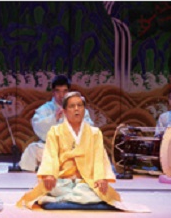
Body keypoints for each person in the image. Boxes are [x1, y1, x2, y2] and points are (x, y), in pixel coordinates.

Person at [17, 91, 149, 212]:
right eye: (72, 106)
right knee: (52, 187)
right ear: (64, 111)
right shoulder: (55, 132)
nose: (76, 109)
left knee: (93, 190)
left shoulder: (94, 133)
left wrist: (101, 177)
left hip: (85, 180)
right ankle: (65, 198)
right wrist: (49, 174)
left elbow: (99, 157)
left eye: (80, 106)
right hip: (62, 179)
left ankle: (59, 199)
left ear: (84, 109)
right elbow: (50, 156)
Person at [19, 75, 93, 172]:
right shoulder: (45, 109)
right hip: (53, 148)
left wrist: (75, 120)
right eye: (58, 91)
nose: (61, 95)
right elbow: (37, 125)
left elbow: (89, 127)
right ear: (53, 92)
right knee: (34, 148)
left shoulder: (78, 108)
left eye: (64, 91)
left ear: (68, 92)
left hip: (73, 148)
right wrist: (54, 118)